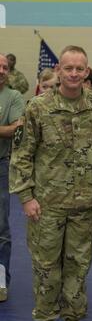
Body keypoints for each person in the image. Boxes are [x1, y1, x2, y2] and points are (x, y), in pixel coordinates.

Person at [9, 46, 92, 321]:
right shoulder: (38, 107)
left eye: (80, 69)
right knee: (46, 269)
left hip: (83, 207)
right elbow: (22, 155)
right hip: (46, 207)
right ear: (59, 70)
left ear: (87, 71)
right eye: (69, 68)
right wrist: (26, 197)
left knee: (77, 269)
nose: (75, 74)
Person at [0, 54, 25, 302]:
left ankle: (0, 282)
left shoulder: (13, 97)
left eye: (4, 67)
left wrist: (6, 130)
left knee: (1, 228)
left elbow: (16, 128)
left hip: (0, 166)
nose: (1, 70)